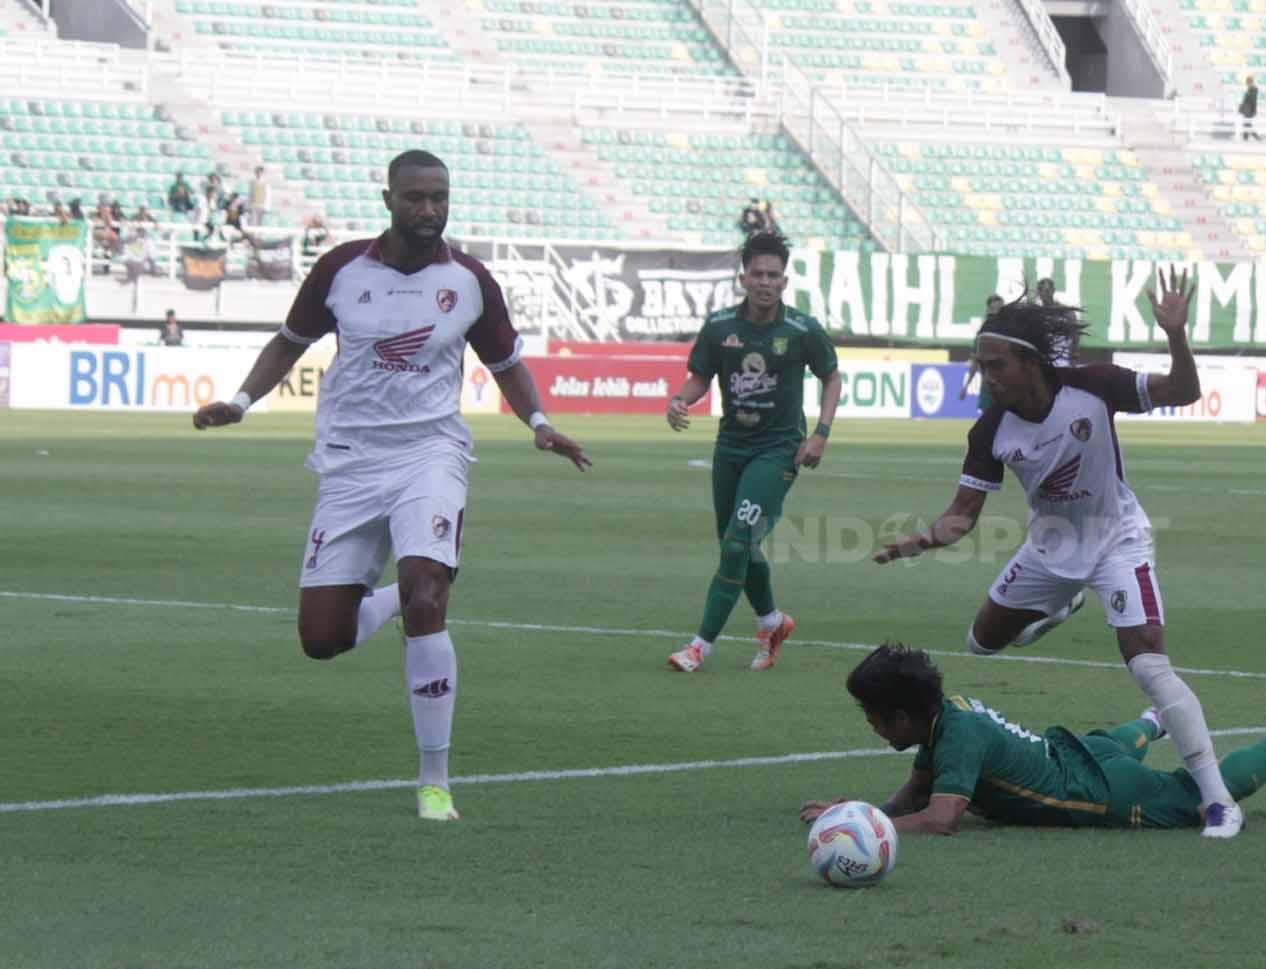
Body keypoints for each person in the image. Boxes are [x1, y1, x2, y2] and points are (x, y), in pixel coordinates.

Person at [190, 149, 592, 822]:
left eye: (439, 196)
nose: (429, 209)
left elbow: (507, 362)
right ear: (388, 199)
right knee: (322, 638)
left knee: (430, 592)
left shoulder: (469, 279)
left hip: (429, 453)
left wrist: (540, 422)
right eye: (415, 197)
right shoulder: (341, 270)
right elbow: (289, 341)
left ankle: (434, 781)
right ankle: (397, 598)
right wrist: (240, 400)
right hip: (349, 462)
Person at [870, 271, 1252, 839]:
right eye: (982, 364)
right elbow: (964, 513)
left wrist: (1177, 335)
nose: (986, 375)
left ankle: (1217, 800)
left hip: (1117, 540)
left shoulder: (1094, 386)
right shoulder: (990, 430)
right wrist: (922, 540)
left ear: (1030, 362)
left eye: (996, 364)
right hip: (1049, 552)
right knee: (982, 642)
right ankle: (1059, 606)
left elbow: (1183, 392)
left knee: (1148, 662)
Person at [800, 643, 1266, 834]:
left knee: (1196, 797)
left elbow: (942, 820)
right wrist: (851, 814)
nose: (871, 725)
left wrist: (873, 830)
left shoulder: (958, 736)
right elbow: (909, 800)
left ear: (904, 714)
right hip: (1077, 752)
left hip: (1097, 790)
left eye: (874, 715)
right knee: (1110, 740)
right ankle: (1161, 715)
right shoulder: (944, 723)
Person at [663, 230, 842, 673]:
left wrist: (819, 433)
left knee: (737, 542)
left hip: (778, 450)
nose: (765, 281)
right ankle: (772, 622)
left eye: (774, 275)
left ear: (785, 280)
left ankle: (699, 647)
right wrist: (680, 399)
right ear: (743, 278)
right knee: (737, 544)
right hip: (730, 448)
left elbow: (832, 377)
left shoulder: (802, 330)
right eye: (757, 273)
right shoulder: (720, 327)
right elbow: (700, 376)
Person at [963, 294, 1006, 407]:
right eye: (993, 309)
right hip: (988, 389)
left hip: (1007, 388)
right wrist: (966, 386)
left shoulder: (1010, 334)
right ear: (988, 310)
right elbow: (975, 362)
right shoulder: (981, 336)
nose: (996, 313)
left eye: (1000, 310)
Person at [1237, 75, 1261, 141]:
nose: (1246, 83)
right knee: (1246, 124)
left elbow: (1253, 100)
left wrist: (1254, 110)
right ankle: (1247, 138)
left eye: (1247, 82)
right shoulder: (1249, 89)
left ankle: (1256, 137)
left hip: (1249, 110)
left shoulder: (1253, 89)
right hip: (1247, 110)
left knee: (1247, 124)